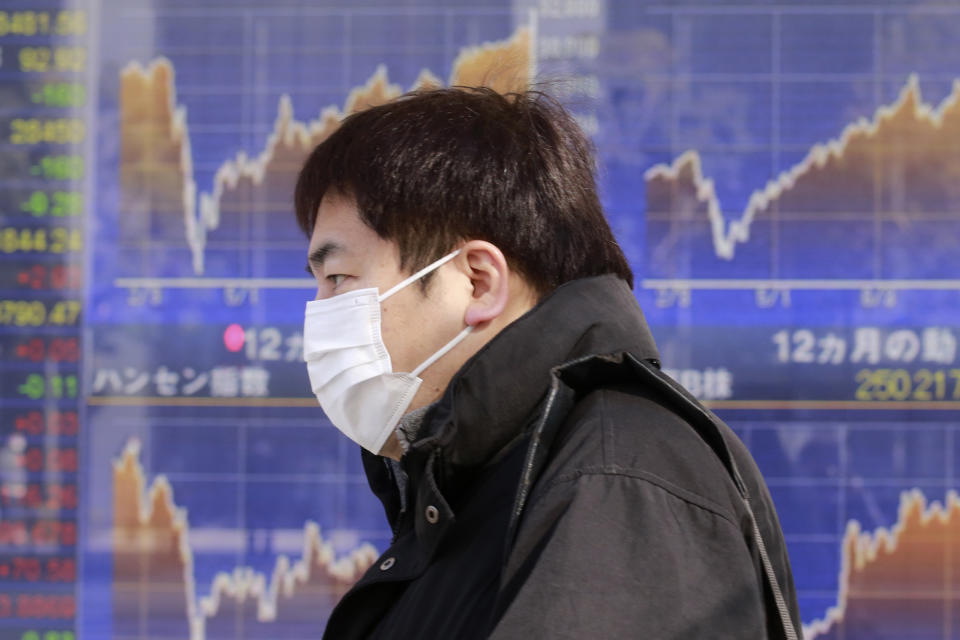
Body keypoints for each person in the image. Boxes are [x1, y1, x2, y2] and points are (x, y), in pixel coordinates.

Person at [295, 86, 802, 639]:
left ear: (477, 282)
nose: (319, 314)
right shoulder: (492, 479)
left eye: (339, 278)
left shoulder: (618, 477)